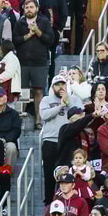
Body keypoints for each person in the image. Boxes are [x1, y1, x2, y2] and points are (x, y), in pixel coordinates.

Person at [40, 76, 83, 205]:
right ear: (52, 87)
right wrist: (60, 106)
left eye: (62, 84)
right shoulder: (46, 99)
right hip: (50, 140)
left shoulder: (75, 99)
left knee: (68, 172)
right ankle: (49, 202)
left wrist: (68, 102)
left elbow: (80, 117)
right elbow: (44, 115)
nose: (60, 87)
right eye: (57, 85)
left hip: (69, 141)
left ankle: (68, 201)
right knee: (49, 172)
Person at [16, 0, 56, 130]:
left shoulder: (44, 22)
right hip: (22, 63)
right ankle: (19, 120)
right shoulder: (20, 22)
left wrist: (37, 32)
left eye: (31, 7)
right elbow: (15, 40)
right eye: (26, 7)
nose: (29, 10)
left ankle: (39, 120)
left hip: (39, 63)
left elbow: (50, 40)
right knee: (21, 91)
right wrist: (28, 35)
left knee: (39, 90)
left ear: (37, 8)